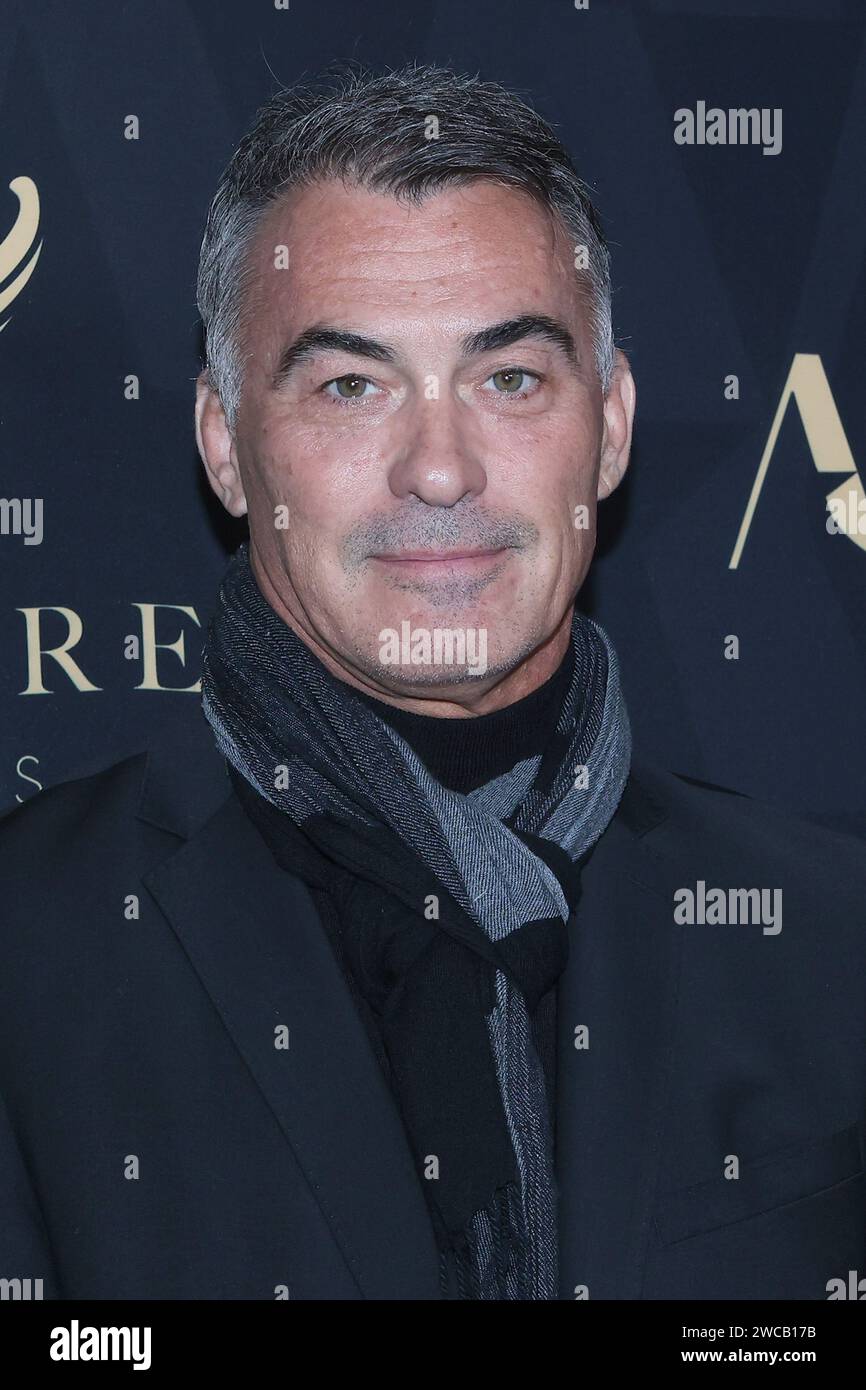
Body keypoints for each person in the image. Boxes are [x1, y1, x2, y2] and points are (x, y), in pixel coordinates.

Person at [2, 62, 865, 1302]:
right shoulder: (29, 951)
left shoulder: (825, 935)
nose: (441, 469)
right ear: (223, 445)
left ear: (609, 427)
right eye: (351, 385)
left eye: (508, 377)